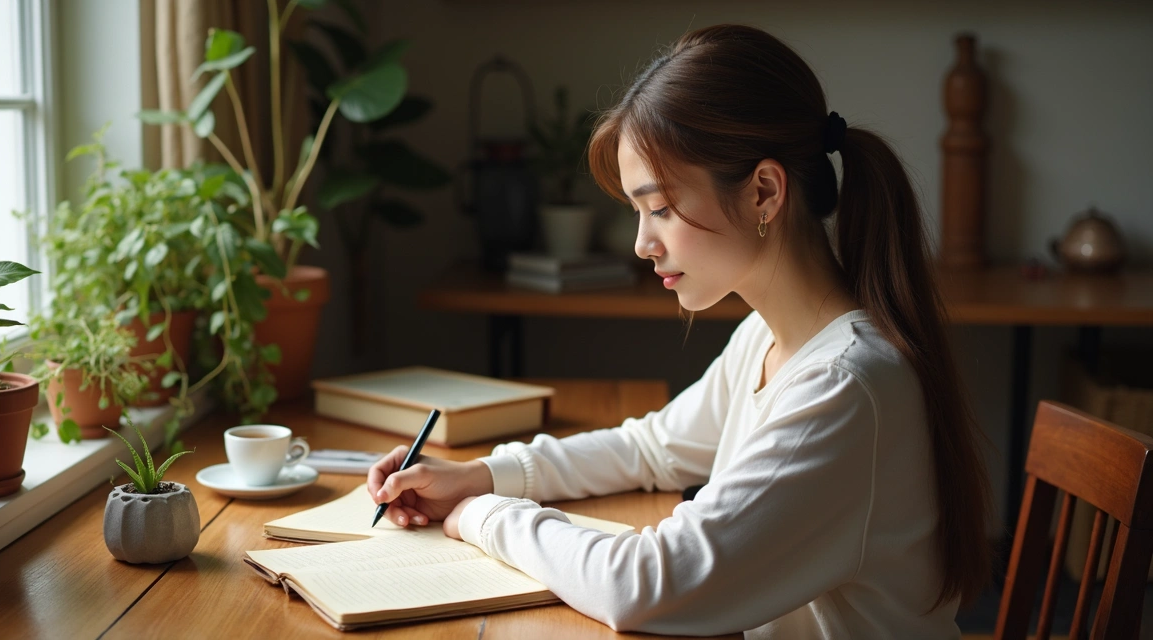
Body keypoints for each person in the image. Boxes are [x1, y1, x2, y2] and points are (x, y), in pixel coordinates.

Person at [367, 23, 992, 638]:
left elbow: (647, 587)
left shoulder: (844, 385)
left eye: (661, 209)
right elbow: (653, 449)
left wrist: (487, 515)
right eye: (639, 213)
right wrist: (480, 474)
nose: (643, 243)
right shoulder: (770, 338)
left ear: (764, 193)